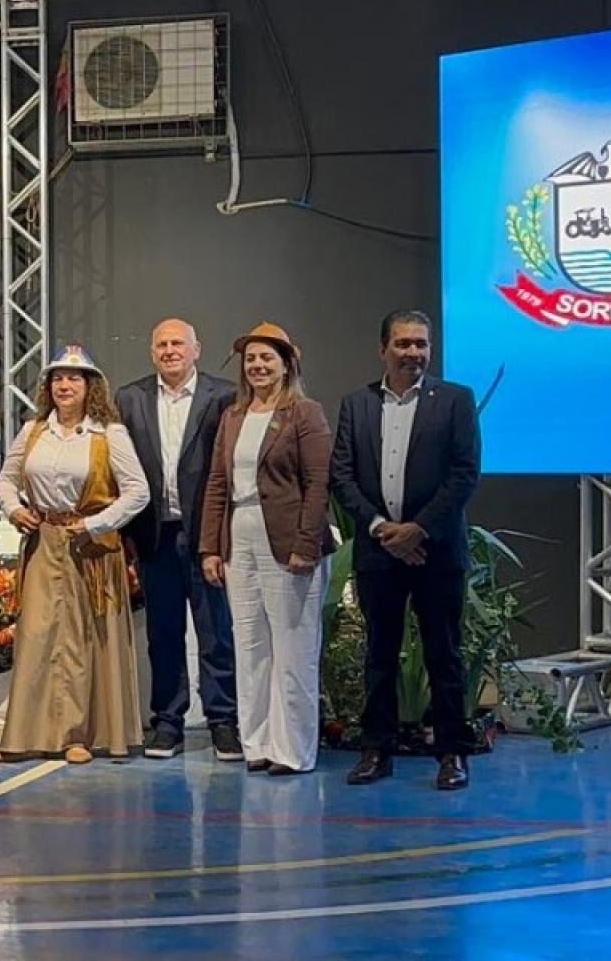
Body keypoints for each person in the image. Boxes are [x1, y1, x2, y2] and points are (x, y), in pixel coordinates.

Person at [331, 310, 482, 791]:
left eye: (421, 344)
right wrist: (383, 530)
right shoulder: (356, 405)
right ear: (383, 349)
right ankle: (377, 750)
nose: (413, 353)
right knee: (379, 654)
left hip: (437, 552)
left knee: (444, 654)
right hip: (379, 553)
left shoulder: (456, 400)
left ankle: (452, 753)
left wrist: (417, 531)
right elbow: (342, 475)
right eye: (403, 344)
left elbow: (464, 473)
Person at [0, 345, 151, 763]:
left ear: (90, 386)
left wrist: (96, 523)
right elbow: (6, 480)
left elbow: (138, 491)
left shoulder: (108, 434)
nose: (64, 385)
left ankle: (77, 736)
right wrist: (14, 509)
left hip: (90, 548)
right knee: (37, 636)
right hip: (43, 542)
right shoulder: (33, 431)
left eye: (74, 378)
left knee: (81, 640)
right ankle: (29, 735)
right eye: (58, 378)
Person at [199, 323, 335, 776]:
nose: (257, 366)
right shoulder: (233, 416)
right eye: (251, 359)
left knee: (293, 647)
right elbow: (217, 484)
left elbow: (318, 483)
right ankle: (256, 743)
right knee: (250, 644)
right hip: (239, 536)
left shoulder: (305, 413)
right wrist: (210, 547)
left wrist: (305, 543)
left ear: (286, 365)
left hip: (287, 538)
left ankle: (292, 750)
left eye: (267, 358)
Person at [115, 318, 242, 762]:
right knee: (163, 633)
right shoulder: (129, 398)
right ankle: (167, 722)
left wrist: (219, 538)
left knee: (215, 632)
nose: (170, 351)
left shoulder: (224, 396)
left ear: (196, 350)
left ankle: (223, 721)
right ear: (152, 352)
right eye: (162, 345)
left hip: (205, 534)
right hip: (154, 535)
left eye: (178, 344)